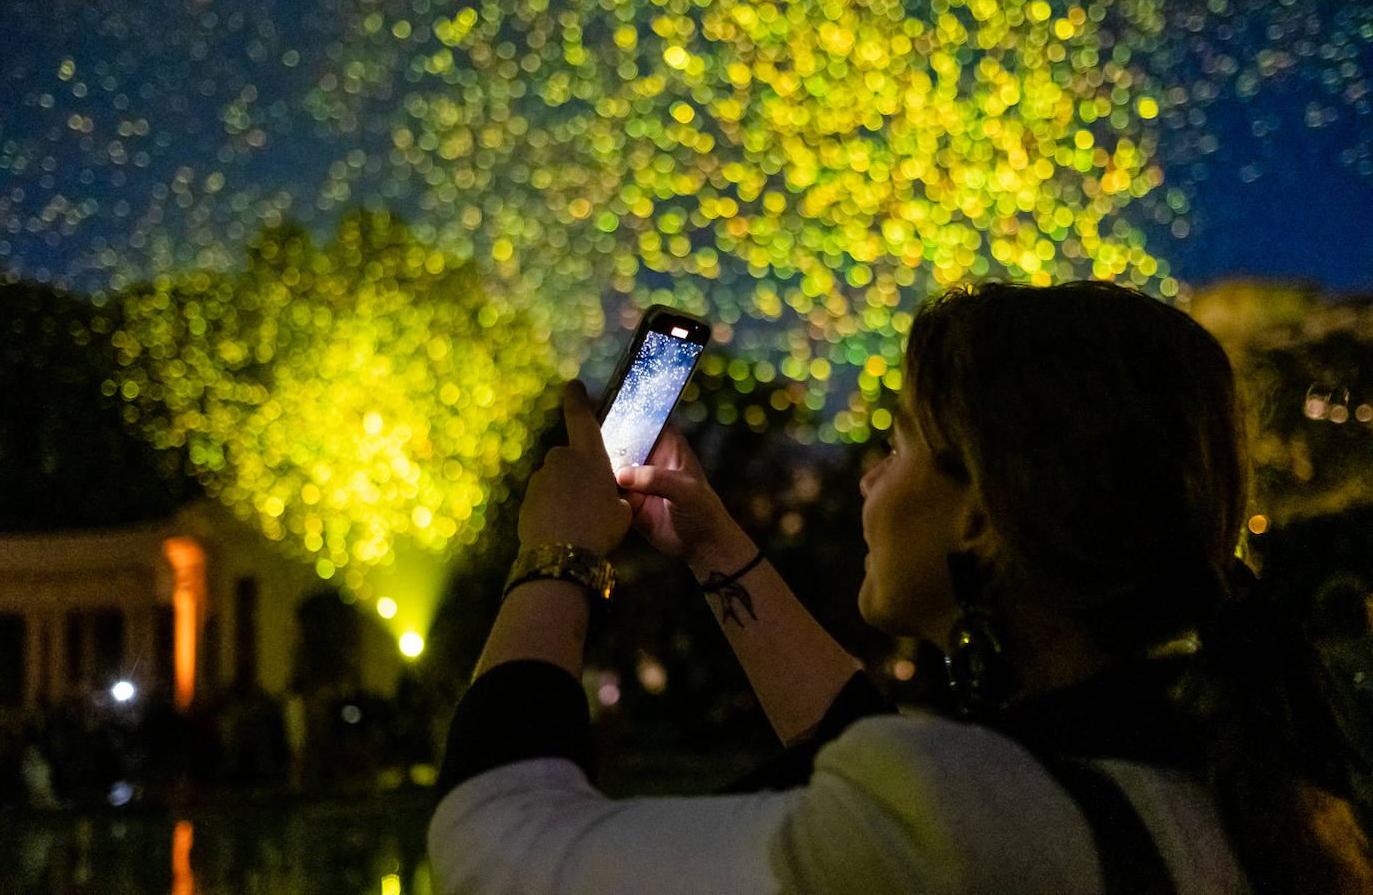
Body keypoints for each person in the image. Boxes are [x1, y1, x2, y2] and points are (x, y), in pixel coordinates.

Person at [427, 281, 1373, 893]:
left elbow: (495, 849)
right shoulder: (1218, 785)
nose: (872, 474)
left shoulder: (958, 821)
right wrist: (714, 546)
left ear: (981, 514)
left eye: (905, 438)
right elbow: (866, 749)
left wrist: (555, 557)